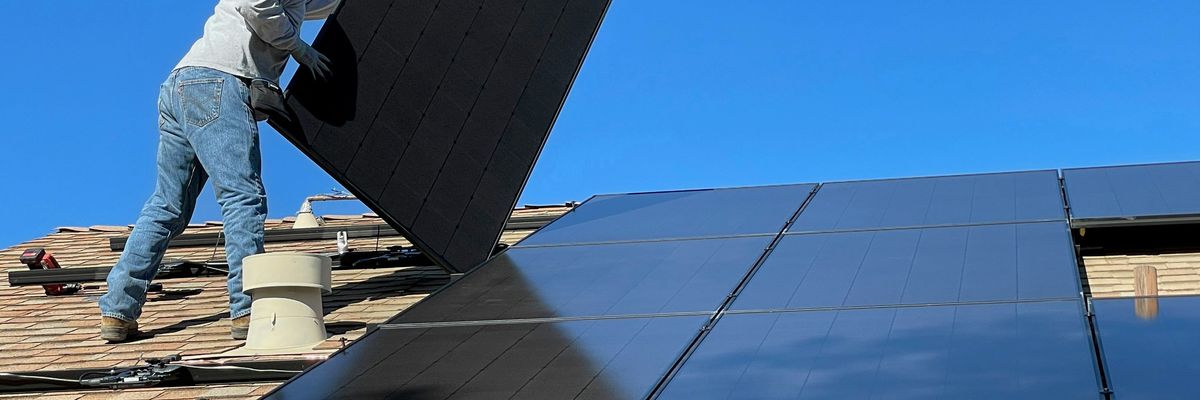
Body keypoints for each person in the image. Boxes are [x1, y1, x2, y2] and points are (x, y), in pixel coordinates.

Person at [98, 0, 341, 343]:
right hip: (219, 82)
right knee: (243, 196)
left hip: (184, 85)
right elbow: (255, 2)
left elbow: (317, 3)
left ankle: (118, 309)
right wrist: (298, 47)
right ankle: (247, 308)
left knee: (168, 205)